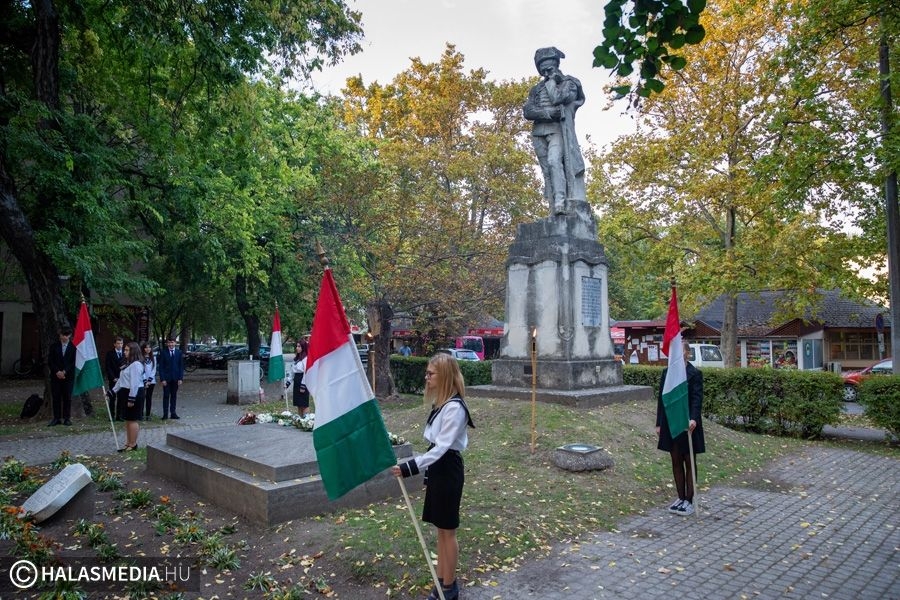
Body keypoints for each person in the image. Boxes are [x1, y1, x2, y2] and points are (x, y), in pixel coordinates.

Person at [391, 353, 475, 600]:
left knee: (448, 530)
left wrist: (409, 468)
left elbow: (441, 448)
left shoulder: (455, 408)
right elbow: (434, 447)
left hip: (447, 469)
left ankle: (450, 586)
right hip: (438, 469)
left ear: (445, 375)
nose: (427, 377)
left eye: (431, 373)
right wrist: (426, 475)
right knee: (440, 529)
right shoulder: (441, 404)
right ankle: (441, 580)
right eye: (426, 373)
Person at [523, 46, 586, 215]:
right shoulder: (535, 89)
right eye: (542, 69)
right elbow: (528, 112)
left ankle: (560, 200)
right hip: (538, 133)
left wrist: (552, 82)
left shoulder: (569, 83)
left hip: (557, 131)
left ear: (556, 65)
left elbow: (558, 98)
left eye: (549, 68)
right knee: (547, 171)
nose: (546, 71)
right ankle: (553, 207)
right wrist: (550, 113)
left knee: (554, 162)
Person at [656, 341, 706, 516]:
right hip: (671, 424)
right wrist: (659, 423)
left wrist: (693, 418)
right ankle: (680, 497)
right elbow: (662, 400)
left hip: (688, 425)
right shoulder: (667, 374)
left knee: (689, 461)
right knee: (676, 460)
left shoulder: (694, 374)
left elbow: (696, 399)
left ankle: (689, 500)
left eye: (679, 350)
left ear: (687, 353)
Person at [113, 341, 145, 451]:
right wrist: (112, 391)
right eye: (124, 350)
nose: (124, 352)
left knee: (132, 419)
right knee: (128, 419)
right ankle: (128, 442)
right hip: (126, 392)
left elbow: (134, 384)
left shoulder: (136, 365)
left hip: (134, 393)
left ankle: (133, 444)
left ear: (133, 351)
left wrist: (132, 398)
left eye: (127, 350)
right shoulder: (128, 364)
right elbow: (121, 380)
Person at [48, 326, 76, 426]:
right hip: (56, 376)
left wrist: (64, 371)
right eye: (62, 335)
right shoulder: (54, 346)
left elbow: (73, 362)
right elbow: (50, 361)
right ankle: (56, 418)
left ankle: (67, 418)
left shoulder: (73, 347)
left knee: (67, 397)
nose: (64, 337)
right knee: (56, 397)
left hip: (68, 377)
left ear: (70, 336)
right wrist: (57, 372)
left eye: (66, 335)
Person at [158, 338, 184, 419]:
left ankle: (173, 413)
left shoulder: (179, 352)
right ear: (167, 344)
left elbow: (181, 366)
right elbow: (161, 367)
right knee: (166, 396)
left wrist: (180, 378)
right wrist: (162, 379)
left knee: (174, 396)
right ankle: (165, 414)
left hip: (175, 378)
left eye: (172, 342)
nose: (170, 344)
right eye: (169, 343)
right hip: (166, 379)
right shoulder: (163, 352)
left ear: (175, 343)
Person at [104, 337, 125, 419]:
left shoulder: (125, 353)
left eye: (121, 343)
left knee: (121, 398)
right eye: (118, 343)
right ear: (114, 344)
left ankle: (119, 416)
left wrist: (121, 378)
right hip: (113, 379)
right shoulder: (110, 354)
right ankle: (111, 415)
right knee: (112, 397)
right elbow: (108, 367)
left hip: (122, 379)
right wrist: (113, 378)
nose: (120, 345)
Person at [291, 340, 310, 417]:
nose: (297, 348)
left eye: (299, 346)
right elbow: (293, 371)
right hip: (297, 380)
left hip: (303, 380)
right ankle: (300, 420)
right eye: (297, 346)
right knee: (298, 403)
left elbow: (306, 372)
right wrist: (288, 382)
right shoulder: (296, 359)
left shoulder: (305, 358)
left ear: (303, 347)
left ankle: (307, 420)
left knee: (304, 403)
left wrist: (303, 385)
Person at [141, 342, 157, 420]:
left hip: (151, 381)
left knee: (148, 397)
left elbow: (154, 370)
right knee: (142, 397)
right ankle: (140, 413)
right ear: (143, 348)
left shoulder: (153, 358)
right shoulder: (140, 358)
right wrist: (145, 381)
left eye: (149, 347)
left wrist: (149, 380)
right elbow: (141, 370)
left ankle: (148, 414)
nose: (148, 349)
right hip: (142, 381)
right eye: (146, 347)